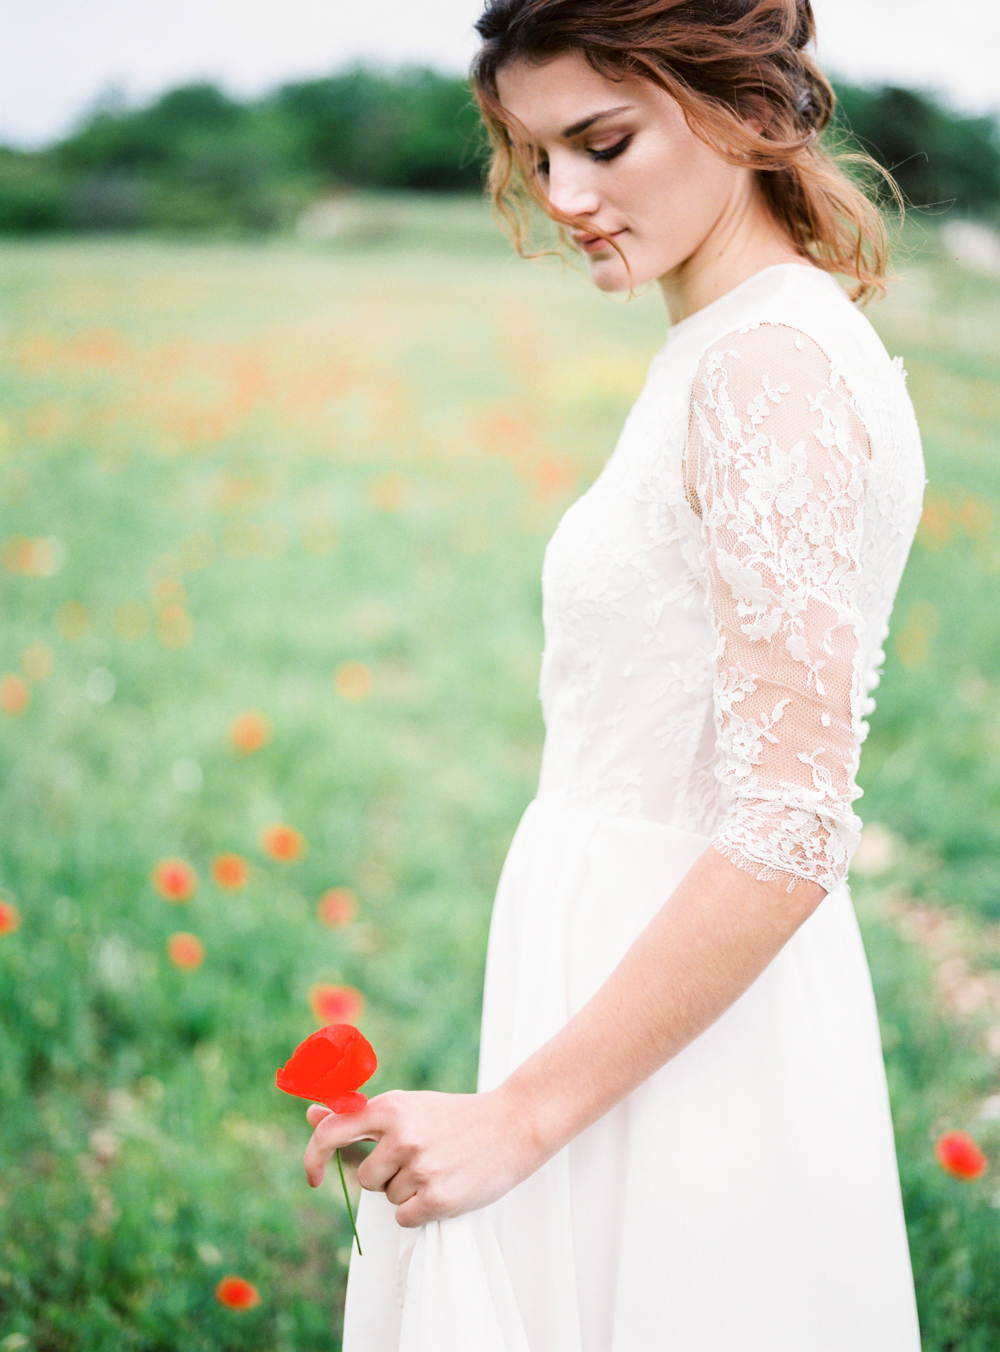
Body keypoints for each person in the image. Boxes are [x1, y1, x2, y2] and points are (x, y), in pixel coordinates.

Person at [305, 2, 926, 1347]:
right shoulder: (723, 345)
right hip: (618, 973)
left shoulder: (767, 368)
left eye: (604, 141)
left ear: (743, 108)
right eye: (537, 155)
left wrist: (519, 1116)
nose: (566, 196)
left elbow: (790, 823)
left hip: (688, 1021)